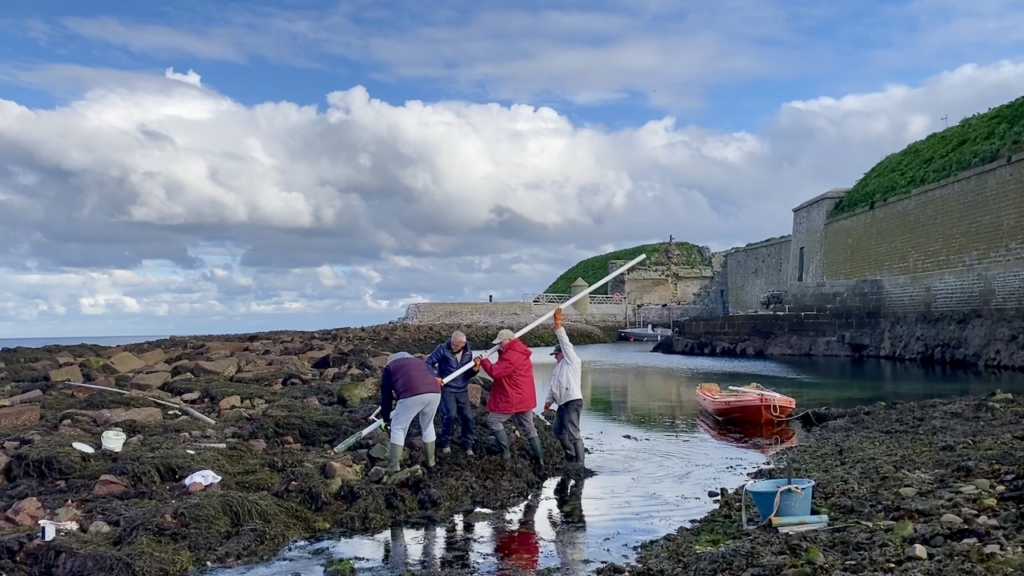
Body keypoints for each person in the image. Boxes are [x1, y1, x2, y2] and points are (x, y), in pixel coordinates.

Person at [473, 329, 543, 464]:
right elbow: (506, 366)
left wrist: (484, 361)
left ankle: (505, 453)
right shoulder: (519, 351)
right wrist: (500, 351)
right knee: (529, 427)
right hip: (525, 397)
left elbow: (496, 371)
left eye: (501, 342)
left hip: (513, 397)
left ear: (509, 341)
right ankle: (540, 459)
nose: (499, 345)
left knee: (493, 420)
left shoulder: (511, 355)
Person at [379, 352, 443, 473]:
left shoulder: (390, 368)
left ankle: (394, 466)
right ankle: (431, 462)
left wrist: (386, 419)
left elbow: (386, 397)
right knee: (428, 426)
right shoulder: (420, 362)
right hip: (435, 392)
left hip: (412, 394)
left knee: (398, 428)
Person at [543, 307, 585, 465]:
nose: (555, 357)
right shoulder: (558, 368)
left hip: (573, 401)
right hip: (562, 403)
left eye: (556, 354)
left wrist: (558, 324)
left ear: (563, 353)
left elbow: (565, 344)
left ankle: (580, 463)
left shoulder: (572, 361)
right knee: (558, 432)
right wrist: (548, 402)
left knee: (573, 433)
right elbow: (553, 387)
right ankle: (571, 456)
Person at [425, 331, 478, 455]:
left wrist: (476, 369)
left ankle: (468, 445)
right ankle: (445, 443)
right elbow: (428, 363)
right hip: (447, 388)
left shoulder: (468, 353)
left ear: (463, 344)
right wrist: (435, 377)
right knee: (450, 415)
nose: (453, 347)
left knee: (469, 417)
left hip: (462, 389)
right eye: (452, 344)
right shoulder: (442, 349)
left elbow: (468, 374)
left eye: (456, 345)